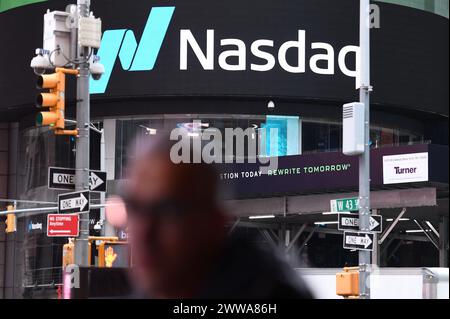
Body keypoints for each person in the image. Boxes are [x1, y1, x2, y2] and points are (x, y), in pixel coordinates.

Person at [118, 134, 313, 299]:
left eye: (168, 211)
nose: (144, 232)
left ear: (214, 222)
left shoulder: (269, 290)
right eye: (134, 207)